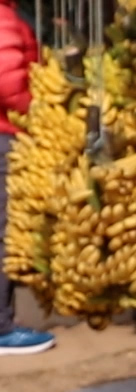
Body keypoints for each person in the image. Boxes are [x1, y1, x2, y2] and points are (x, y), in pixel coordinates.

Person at [0, 0, 53, 355]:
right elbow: (7, 78)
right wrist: (38, 111)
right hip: (4, 132)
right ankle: (2, 328)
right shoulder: (1, 16)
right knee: (3, 231)